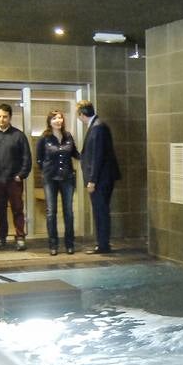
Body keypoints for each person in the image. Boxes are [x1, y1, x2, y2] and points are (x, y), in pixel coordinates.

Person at [0, 103, 31, 251]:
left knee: (17, 209)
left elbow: (26, 157)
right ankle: (0, 237)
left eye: (5, 117)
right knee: (0, 210)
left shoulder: (18, 135)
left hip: (14, 180)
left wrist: (21, 175)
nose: (2, 119)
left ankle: (20, 237)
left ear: (10, 117)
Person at [77, 100, 120, 254]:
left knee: (100, 211)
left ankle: (103, 244)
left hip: (100, 179)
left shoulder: (97, 127)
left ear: (82, 114)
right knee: (101, 210)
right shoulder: (98, 125)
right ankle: (102, 243)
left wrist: (92, 180)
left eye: (79, 116)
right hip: (104, 177)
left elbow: (97, 156)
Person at [35, 109, 79, 256]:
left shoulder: (68, 136)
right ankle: (53, 245)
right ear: (49, 121)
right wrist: (47, 169)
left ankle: (69, 244)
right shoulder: (44, 138)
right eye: (54, 118)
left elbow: (75, 154)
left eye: (60, 118)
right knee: (51, 212)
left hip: (67, 178)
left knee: (68, 212)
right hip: (50, 179)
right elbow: (39, 159)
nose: (58, 120)